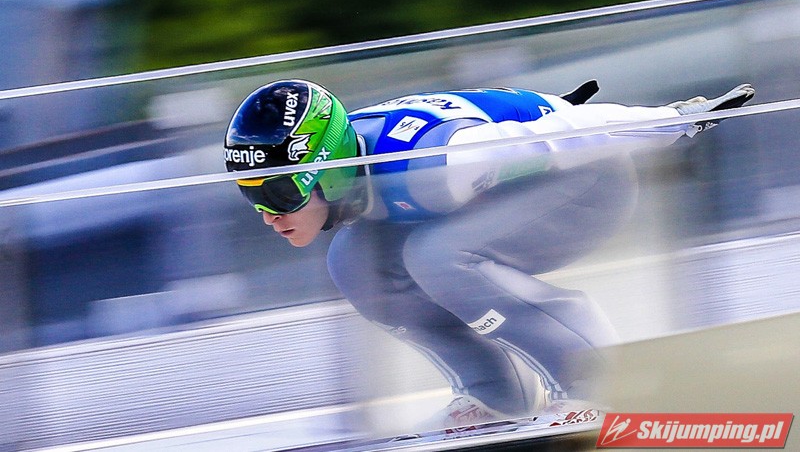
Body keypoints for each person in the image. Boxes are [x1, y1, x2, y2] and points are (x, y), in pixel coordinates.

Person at [223, 79, 754, 430]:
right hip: (507, 185)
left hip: (591, 177)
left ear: (331, 170)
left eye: (279, 192)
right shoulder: (353, 157)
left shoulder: (433, 164)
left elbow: (561, 136)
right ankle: (496, 393)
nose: (268, 214)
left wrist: (675, 119)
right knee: (355, 264)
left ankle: (600, 383)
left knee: (436, 256)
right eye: (252, 196)